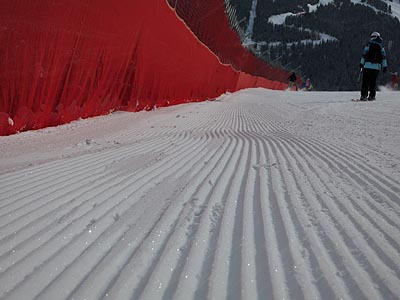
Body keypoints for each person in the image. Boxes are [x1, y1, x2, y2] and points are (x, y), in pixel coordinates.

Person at [359, 31, 388, 101]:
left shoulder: (368, 45)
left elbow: (364, 55)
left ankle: (364, 95)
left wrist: (361, 64)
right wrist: (385, 67)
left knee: (365, 82)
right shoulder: (381, 47)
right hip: (376, 67)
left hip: (367, 66)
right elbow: (384, 58)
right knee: (373, 82)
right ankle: (372, 96)